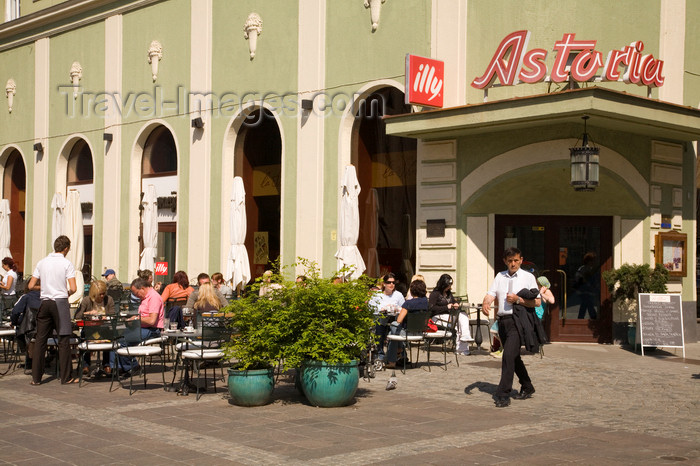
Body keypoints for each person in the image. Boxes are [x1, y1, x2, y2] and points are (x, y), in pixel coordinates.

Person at [482, 247, 540, 408]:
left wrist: (518, 299)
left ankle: (503, 394)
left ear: (521, 260)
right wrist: (485, 302)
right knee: (514, 356)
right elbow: (491, 293)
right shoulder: (500, 276)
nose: (513, 264)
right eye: (510, 261)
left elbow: (537, 302)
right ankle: (527, 386)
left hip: (518, 321)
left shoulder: (528, 277)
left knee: (508, 356)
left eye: (516, 260)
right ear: (505, 261)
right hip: (502, 322)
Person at [30, 235, 77, 385]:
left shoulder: (42, 262)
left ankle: (36, 378)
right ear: (66, 248)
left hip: (44, 302)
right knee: (63, 340)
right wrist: (66, 292)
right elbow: (74, 288)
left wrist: (43, 287)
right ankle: (66, 377)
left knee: (40, 340)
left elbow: (30, 286)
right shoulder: (66, 263)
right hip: (60, 301)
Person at [110, 277, 164, 374]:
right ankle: (116, 367)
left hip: (152, 329)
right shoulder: (146, 297)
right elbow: (143, 316)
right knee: (116, 337)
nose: (136, 296)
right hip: (142, 327)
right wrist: (133, 319)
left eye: (136, 293)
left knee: (123, 341)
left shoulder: (154, 297)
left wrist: (136, 319)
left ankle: (132, 367)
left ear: (142, 288)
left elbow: (152, 320)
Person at [75, 280, 115, 375]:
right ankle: (85, 364)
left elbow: (113, 314)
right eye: (99, 294)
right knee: (85, 335)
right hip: (90, 328)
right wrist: (87, 313)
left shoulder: (108, 299)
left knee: (109, 336)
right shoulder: (86, 300)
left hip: (104, 328)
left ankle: (106, 364)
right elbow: (77, 316)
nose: (102, 296)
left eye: (103, 293)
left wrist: (106, 316)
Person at [385, 279, 428, 369]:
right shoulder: (425, 302)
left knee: (393, 327)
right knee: (394, 333)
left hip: (408, 333)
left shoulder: (408, 303)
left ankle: (392, 360)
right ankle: (401, 353)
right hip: (420, 332)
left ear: (412, 291)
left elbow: (399, 320)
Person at [429, 274, 473, 356]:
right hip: (437, 316)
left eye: (450, 285)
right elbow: (432, 308)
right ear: (443, 285)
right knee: (458, 322)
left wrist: (455, 304)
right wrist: (446, 307)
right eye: (448, 286)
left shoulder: (449, 294)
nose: (449, 287)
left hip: (449, 316)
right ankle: (462, 347)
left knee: (463, 315)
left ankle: (464, 339)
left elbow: (453, 301)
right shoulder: (435, 294)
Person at [368, 273, 405, 362]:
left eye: (393, 282)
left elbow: (404, 308)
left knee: (394, 327)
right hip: (380, 320)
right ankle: (380, 352)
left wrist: (395, 309)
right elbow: (371, 308)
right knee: (379, 325)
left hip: (394, 321)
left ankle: (398, 354)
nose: (391, 284)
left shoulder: (398, 295)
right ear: (384, 284)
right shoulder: (377, 294)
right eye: (389, 282)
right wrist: (382, 309)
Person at [11, 280, 41, 370]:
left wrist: (14, 322)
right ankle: (50, 354)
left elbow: (15, 312)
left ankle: (28, 357)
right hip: (46, 330)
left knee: (19, 330)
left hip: (29, 329)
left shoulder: (26, 297)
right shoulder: (48, 298)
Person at [575, 252, 598, 319]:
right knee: (588, 304)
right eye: (592, 260)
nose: (594, 262)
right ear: (589, 261)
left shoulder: (592, 269)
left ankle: (581, 318)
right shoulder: (583, 269)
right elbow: (578, 279)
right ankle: (593, 318)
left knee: (585, 305)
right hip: (585, 290)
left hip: (588, 290)